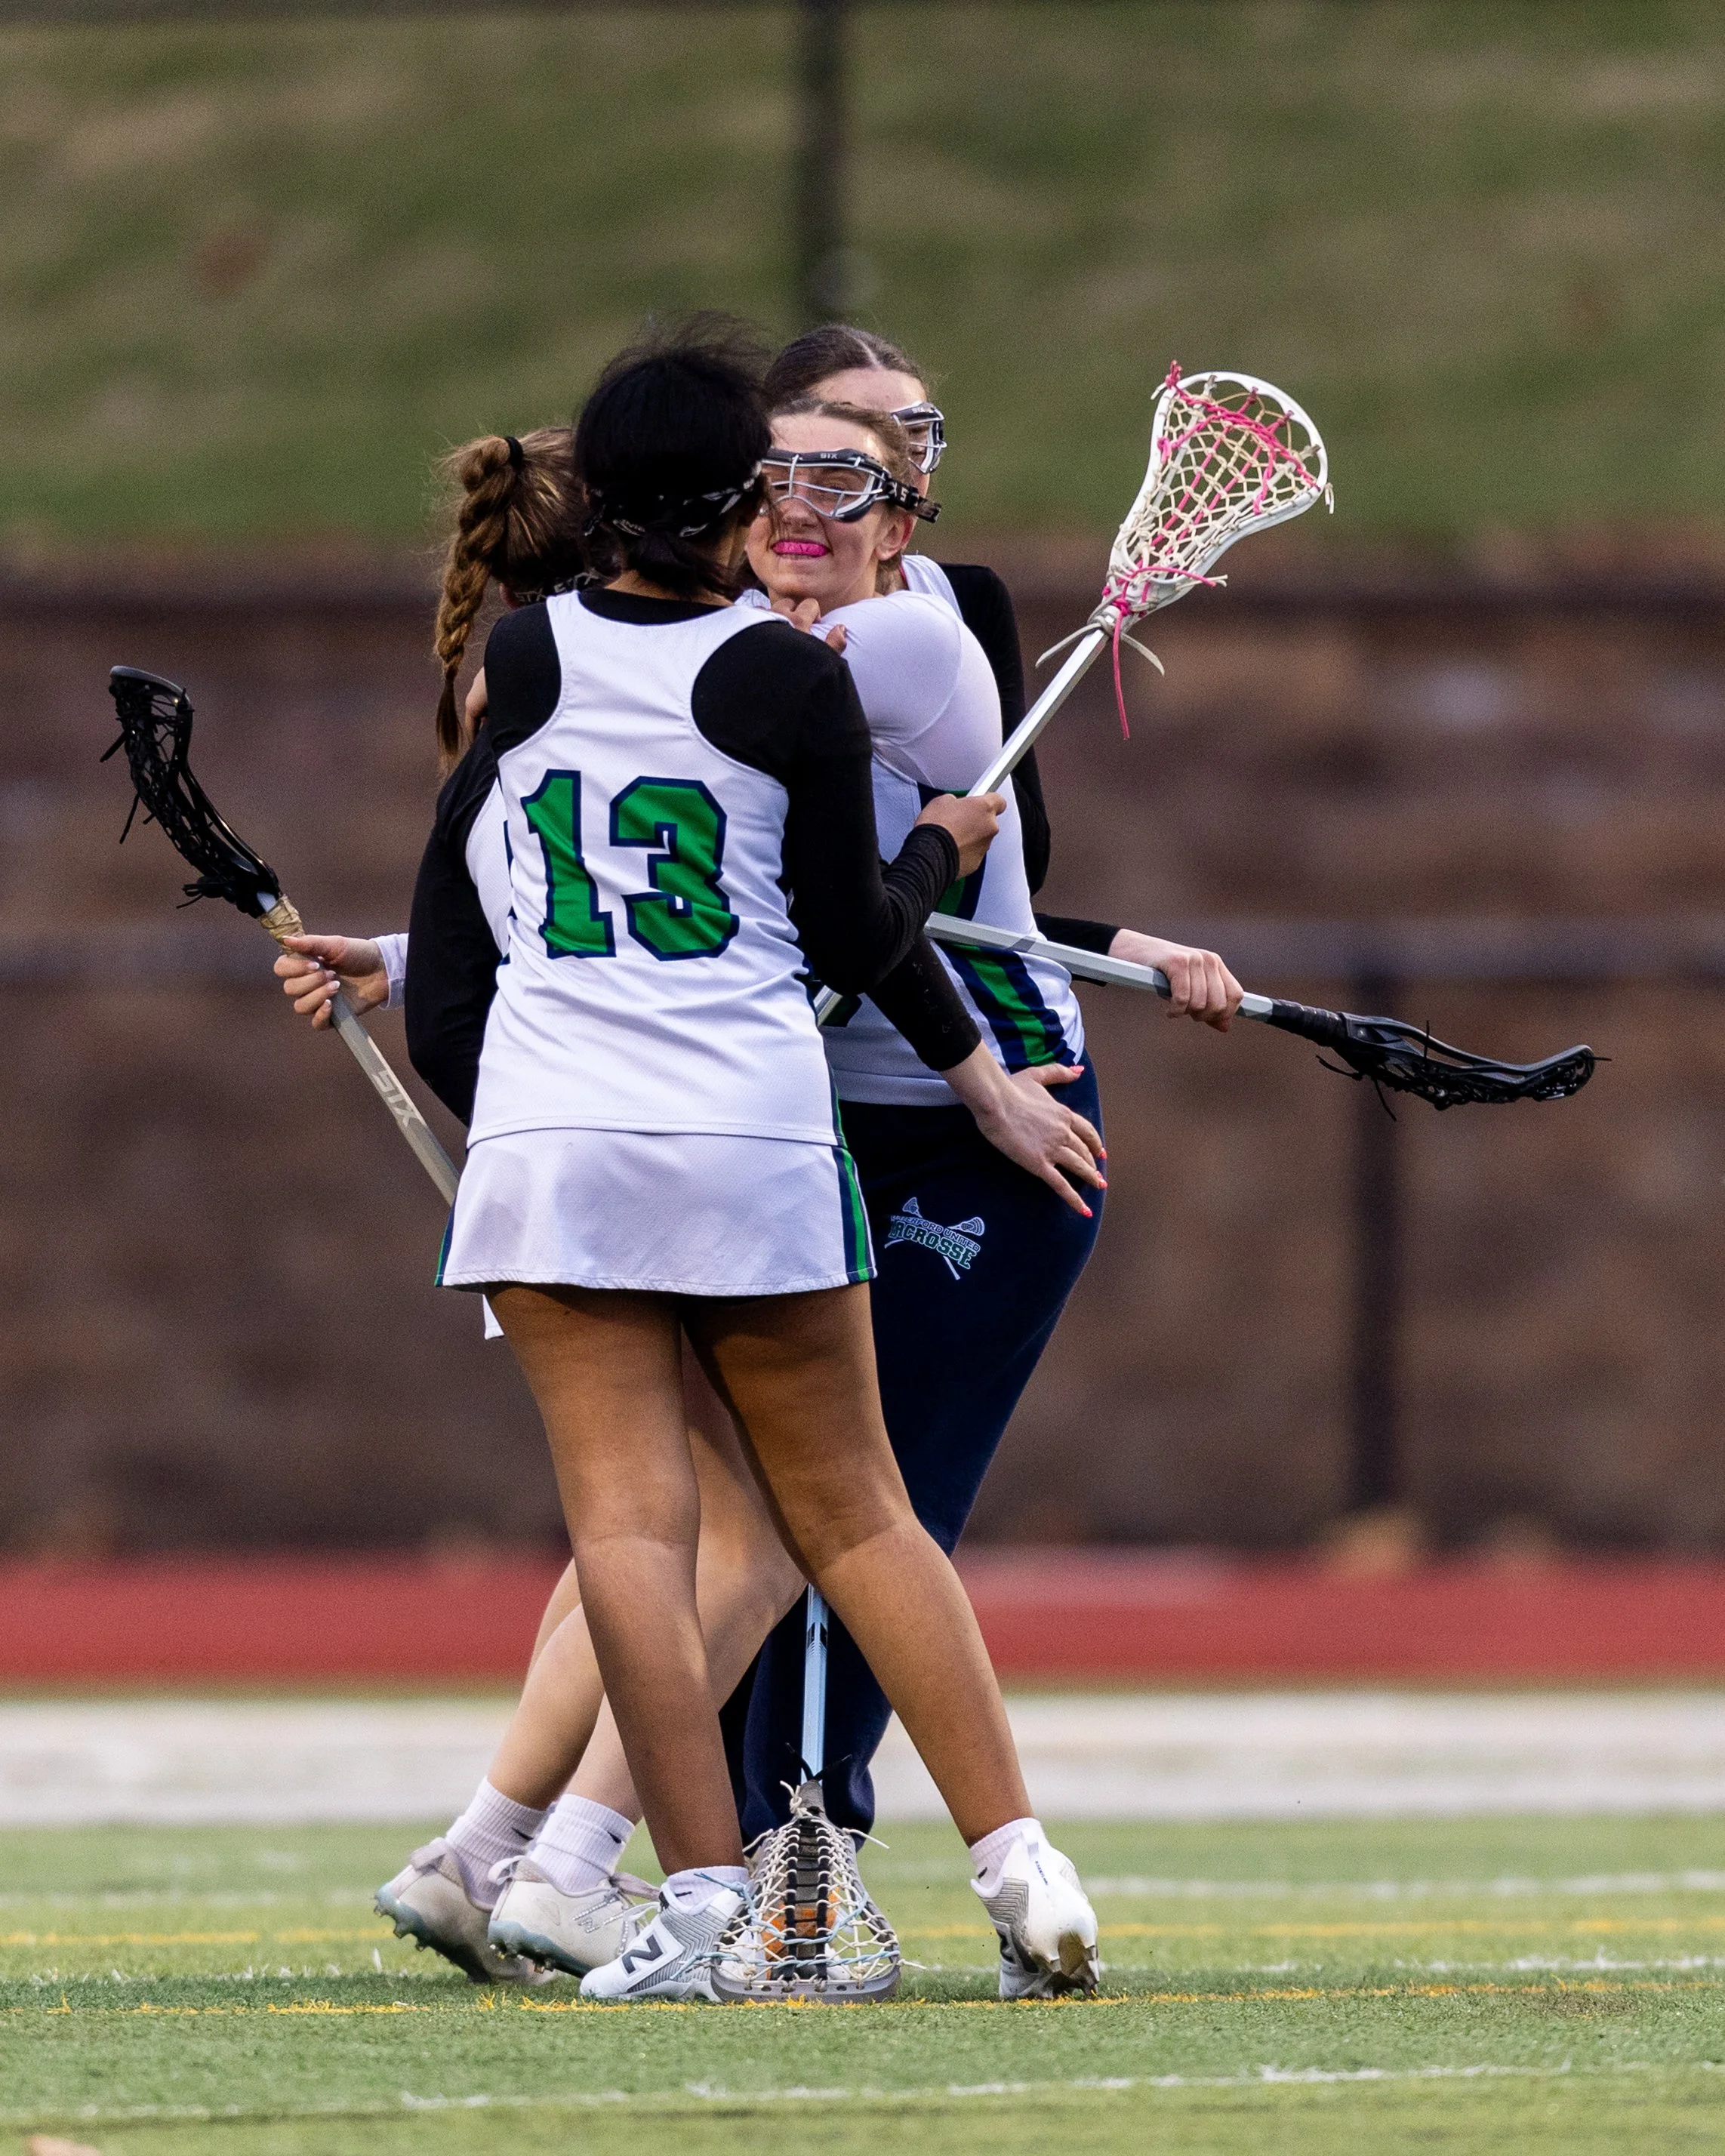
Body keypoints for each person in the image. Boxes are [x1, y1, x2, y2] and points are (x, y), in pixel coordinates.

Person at [387, 322, 1102, 2003]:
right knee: (854, 1517)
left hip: (554, 1150)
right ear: (737, 497)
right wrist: (938, 847)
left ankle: (689, 1899)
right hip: (754, 1139)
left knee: (633, 1537)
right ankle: (1021, 1869)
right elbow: (853, 937)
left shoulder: (524, 655)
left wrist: (531, 1109)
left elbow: (448, 964)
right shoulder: (785, 677)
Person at [730, 334, 1243, 1899]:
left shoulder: (918, 637)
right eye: (823, 460)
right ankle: (628, 1848)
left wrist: (1045, 1000)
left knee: (861, 1505)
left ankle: (795, 1854)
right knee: (720, 1517)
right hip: (806, 1112)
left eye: (891, 456)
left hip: (993, 1113)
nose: (869, 486)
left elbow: (944, 895)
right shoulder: (735, 645)